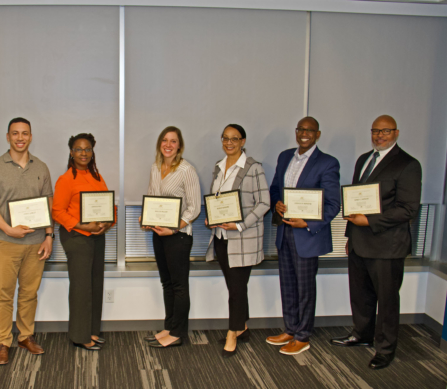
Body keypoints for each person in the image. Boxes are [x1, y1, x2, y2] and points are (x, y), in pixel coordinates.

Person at [331, 115, 422, 370]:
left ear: (396, 133)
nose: (379, 135)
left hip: (387, 245)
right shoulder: (364, 160)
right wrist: (350, 234)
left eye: (385, 131)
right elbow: (357, 200)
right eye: (375, 131)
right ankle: (362, 335)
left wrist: (369, 221)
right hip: (360, 242)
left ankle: (385, 349)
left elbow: (408, 209)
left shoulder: (408, 164)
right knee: (361, 295)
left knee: (387, 300)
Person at [0, 117, 54, 365]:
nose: (20, 138)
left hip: (35, 243)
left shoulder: (41, 168)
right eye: (15, 133)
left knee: (29, 293)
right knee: (3, 294)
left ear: (31, 137)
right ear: (8, 136)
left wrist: (48, 236)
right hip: (5, 242)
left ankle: (25, 336)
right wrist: (8, 229)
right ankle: (3, 342)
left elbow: (48, 206)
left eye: (25, 133)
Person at [267, 117, 340, 355]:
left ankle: (303, 335)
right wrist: (276, 202)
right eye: (300, 129)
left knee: (305, 288)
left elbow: (332, 204)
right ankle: (290, 329)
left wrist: (307, 222)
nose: (304, 134)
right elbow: (276, 188)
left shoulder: (328, 163)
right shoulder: (285, 156)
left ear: (318, 134)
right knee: (287, 283)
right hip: (285, 230)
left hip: (307, 235)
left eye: (309, 130)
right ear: (296, 132)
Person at [204, 124, 270, 357]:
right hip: (222, 238)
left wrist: (240, 224)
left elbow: (264, 204)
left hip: (243, 238)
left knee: (236, 289)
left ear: (243, 141)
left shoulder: (253, 168)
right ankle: (242, 327)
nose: (229, 142)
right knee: (236, 287)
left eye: (234, 138)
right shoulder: (219, 167)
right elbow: (218, 200)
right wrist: (211, 219)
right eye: (225, 138)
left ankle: (233, 332)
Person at [52, 133, 114, 351]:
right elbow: (57, 211)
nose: (83, 153)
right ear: (71, 152)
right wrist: (82, 225)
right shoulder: (66, 179)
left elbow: (108, 204)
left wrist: (108, 221)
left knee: (95, 283)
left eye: (87, 149)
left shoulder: (97, 177)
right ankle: (80, 336)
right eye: (78, 149)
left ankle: (92, 331)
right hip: (77, 237)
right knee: (81, 286)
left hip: (97, 236)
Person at [141, 126, 200, 349]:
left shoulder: (187, 170)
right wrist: (145, 218)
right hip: (159, 235)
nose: (168, 144)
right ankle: (168, 327)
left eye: (173, 141)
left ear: (179, 146)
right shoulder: (155, 168)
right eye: (164, 140)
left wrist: (174, 229)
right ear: (159, 144)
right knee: (167, 283)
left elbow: (193, 208)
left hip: (178, 237)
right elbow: (153, 198)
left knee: (179, 285)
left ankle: (177, 333)